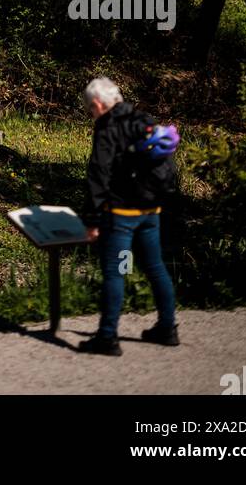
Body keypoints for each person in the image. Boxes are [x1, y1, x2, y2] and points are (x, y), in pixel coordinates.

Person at [78, 76, 179, 356]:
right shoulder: (143, 119)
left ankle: (107, 338)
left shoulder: (107, 127)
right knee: (156, 267)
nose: (92, 114)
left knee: (114, 272)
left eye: (91, 109)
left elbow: (98, 174)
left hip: (120, 213)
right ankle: (167, 329)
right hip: (151, 210)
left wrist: (92, 220)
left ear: (98, 104)